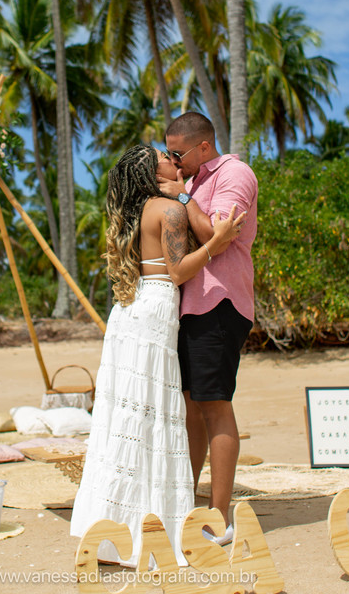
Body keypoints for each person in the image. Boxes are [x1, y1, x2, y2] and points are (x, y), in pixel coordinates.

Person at [70, 145, 246, 567]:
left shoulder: (135, 210)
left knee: (127, 418)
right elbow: (179, 270)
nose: (173, 160)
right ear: (154, 172)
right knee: (151, 415)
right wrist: (217, 242)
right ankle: (151, 528)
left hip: (129, 311)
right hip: (155, 309)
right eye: (164, 157)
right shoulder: (168, 210)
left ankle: (114, 531)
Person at [157, 112, 258, 546]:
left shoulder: (234, 173)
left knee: (215, 405)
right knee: (190, 408)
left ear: (203, 147)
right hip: (191, 308)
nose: (174, 163)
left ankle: (220, 517)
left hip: (220, 302)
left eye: (178, 154)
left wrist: (183, 199)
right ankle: (190, 503)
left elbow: (216, 237)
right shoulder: (194, 181)